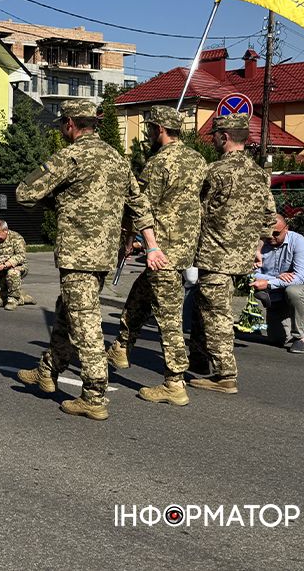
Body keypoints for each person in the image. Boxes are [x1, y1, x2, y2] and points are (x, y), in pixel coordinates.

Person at [14, 99, 161, 422]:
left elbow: (25, 192)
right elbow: (139, 206)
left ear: (70, 124)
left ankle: (94, 396)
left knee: (86, 324)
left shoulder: (70, 156)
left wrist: (59, 200)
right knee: (67, 309)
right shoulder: (117, 159)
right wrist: (151, 245)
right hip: (104, 255)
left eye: (61, 124)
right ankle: (48, 369)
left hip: (77, 254)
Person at [106, 105, 208, 405]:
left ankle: (174, 382)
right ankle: (122, 346)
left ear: (160, 130)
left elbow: (140, 206)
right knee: (140, 293)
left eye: (150, 128)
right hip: (184, 248)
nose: (148, 133)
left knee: (168, 317)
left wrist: (131, 240)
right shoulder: (198, 160)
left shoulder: (158, 163)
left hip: (161, 251)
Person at [188, 112, 277, 394]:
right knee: (203, 305)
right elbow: (269, 216)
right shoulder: (259, 174)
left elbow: (196, 210)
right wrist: (257, 248)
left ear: (224, 137)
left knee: (216, 313)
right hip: (241, 257)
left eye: (214, 135)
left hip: (216, 255)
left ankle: (226, 374)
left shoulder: (215, 171)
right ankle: (199, 357)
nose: (212, 140)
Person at [252, 215, 304, 354]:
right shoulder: (259, 244)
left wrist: (268, 283)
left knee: (293, 291)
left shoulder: (299, 241)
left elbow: (299, 278)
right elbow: (251, 274)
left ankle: (299, 338)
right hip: (277, 291)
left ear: (286, 229)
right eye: (268, 233)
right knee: (277, 339)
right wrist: (276, 277)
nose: (271, 237)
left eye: (276, 233)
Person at [0, 219, 33, 310]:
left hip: (17, 267)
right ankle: (21, 297)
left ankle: (13, 300)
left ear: (5, 230)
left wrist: (5, 265)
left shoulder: (16, 238)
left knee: (12, 273)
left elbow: (21, 256)